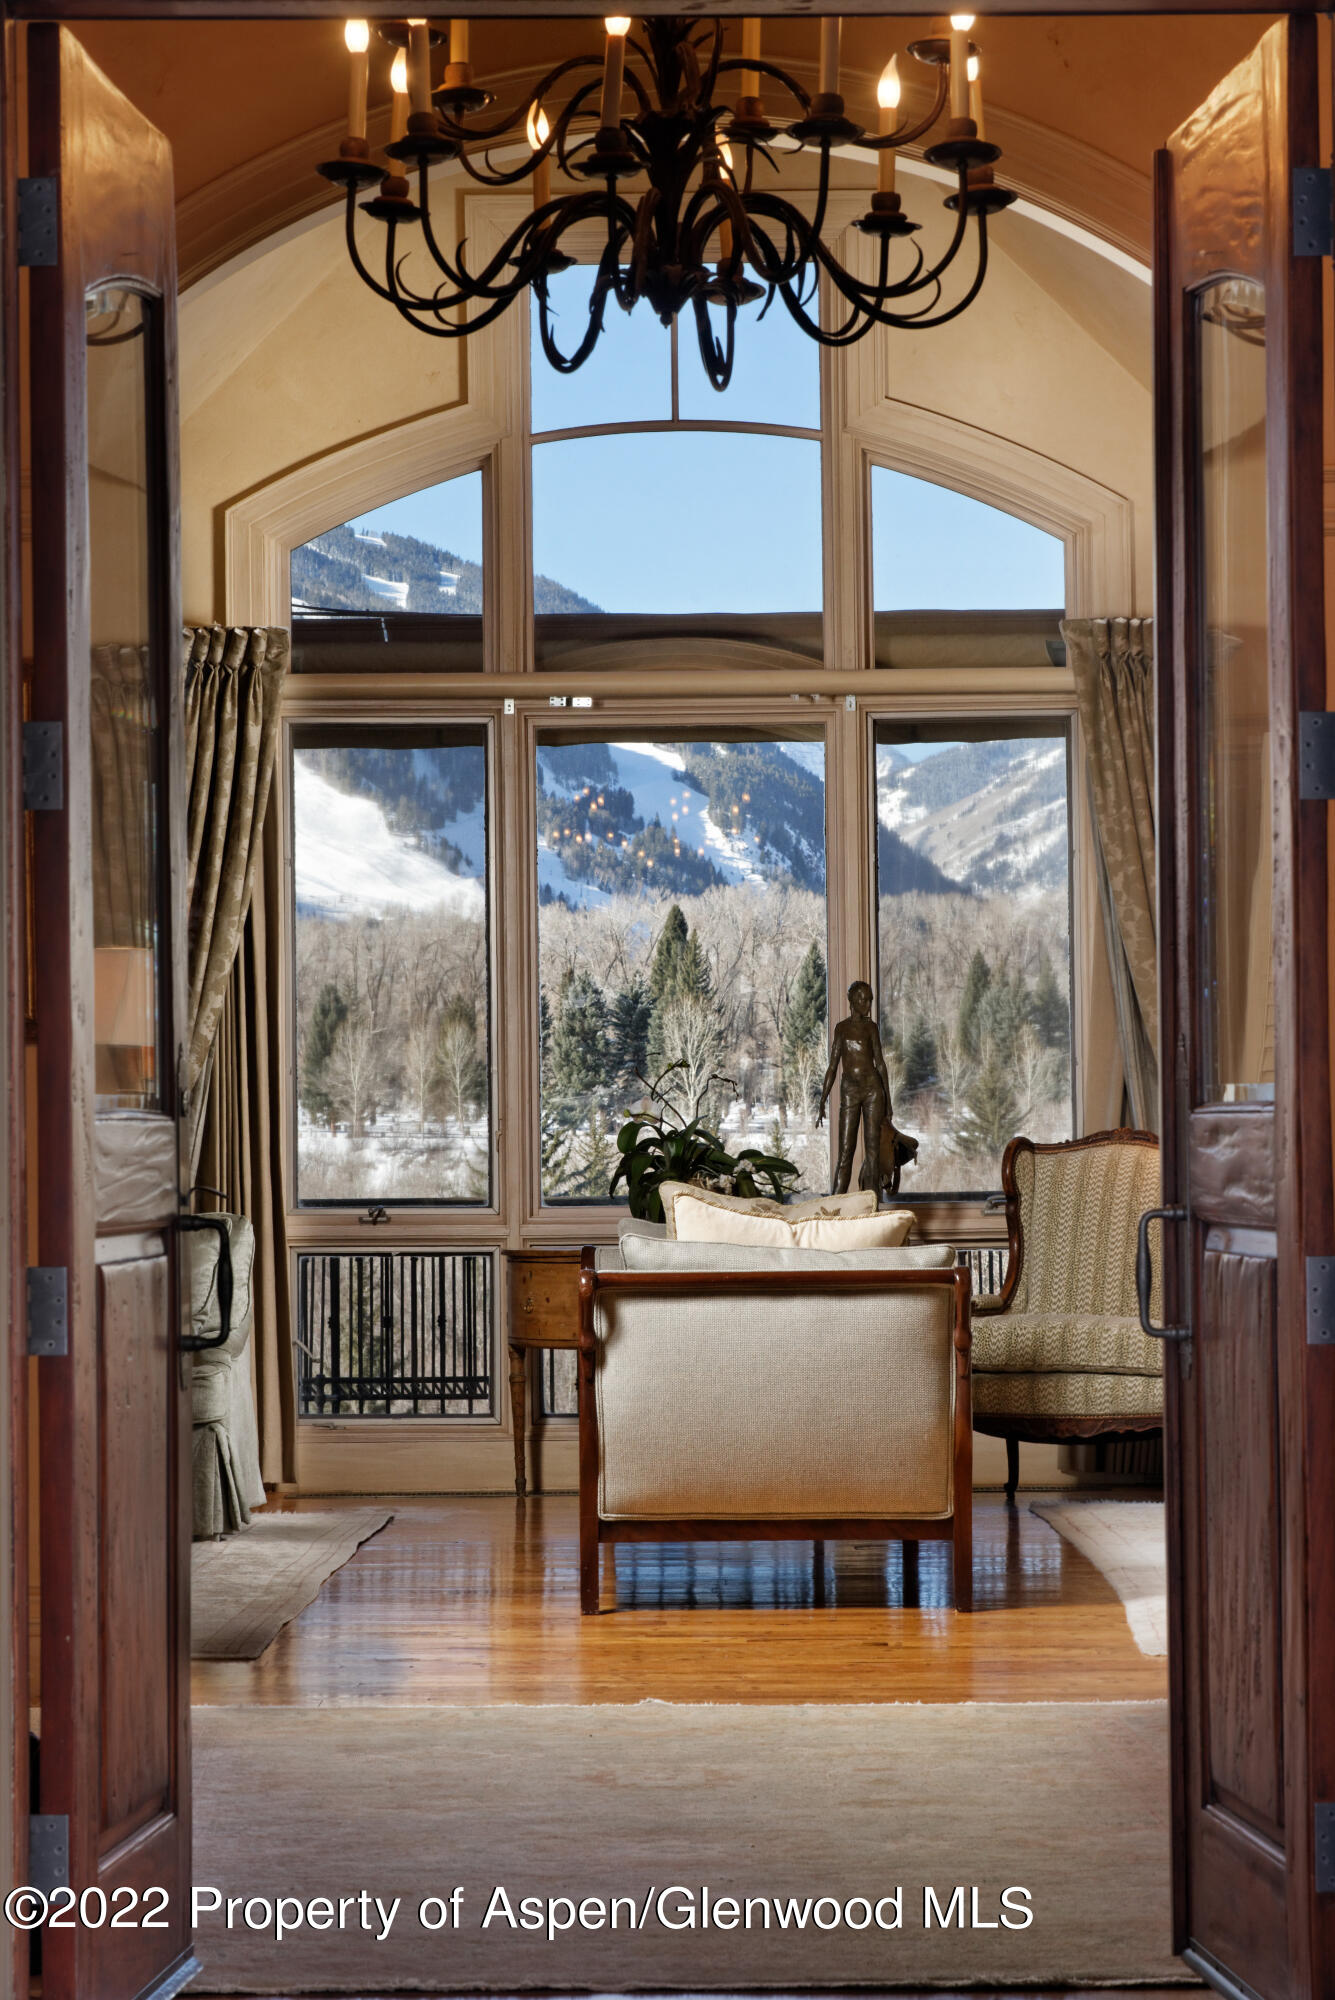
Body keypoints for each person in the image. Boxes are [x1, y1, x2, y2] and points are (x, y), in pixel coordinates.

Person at [817, 980, 892, 1197]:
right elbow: (832, 1066)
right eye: (863, 998)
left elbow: (880, 1062)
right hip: (850, 1091)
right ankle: (835, 1205)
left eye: (870, 999)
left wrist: (888, 1099)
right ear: (852, 1000)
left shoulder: (871, 1028)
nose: (867, 1003)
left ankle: (871, 1208)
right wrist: (823, 1099)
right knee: (845, 1153)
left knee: (873, 1155)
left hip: (872, 1090)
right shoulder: (841, 1028)